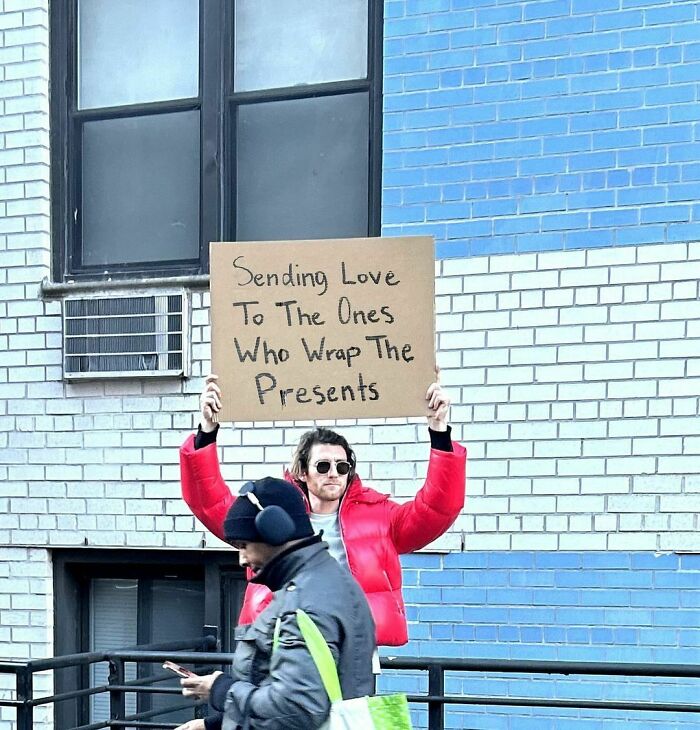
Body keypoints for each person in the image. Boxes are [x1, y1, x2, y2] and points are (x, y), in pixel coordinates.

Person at [179, 372, 466, 647]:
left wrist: (439, 431)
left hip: (351, 646)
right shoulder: (273, 516)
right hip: (284, 643)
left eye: (342, 467)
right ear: (302, 471)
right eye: (323, 466)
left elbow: (436, 509)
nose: (334, 474)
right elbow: (211, 504)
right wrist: (207, 431)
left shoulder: (380, 516)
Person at [174, 476, 375, 730]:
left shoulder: (306, 600)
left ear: (275, 530)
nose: (242, 559)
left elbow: (295, 709)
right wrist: (213, 725)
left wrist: (221, 690)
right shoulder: (323, 581)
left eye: (244, 545)